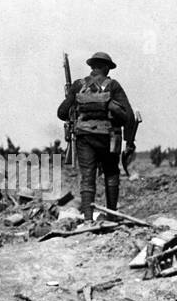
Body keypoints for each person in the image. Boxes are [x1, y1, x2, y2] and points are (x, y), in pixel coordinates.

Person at [56, 51, 138, 222]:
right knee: (111, 173)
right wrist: (128, 140)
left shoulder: (79, 85)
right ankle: (112, 216)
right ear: (107, 68)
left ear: (92, 67)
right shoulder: (113, 86)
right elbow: (128, 116)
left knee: (87, 177)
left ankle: (87, 219)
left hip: (85, 137)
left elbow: (61, 113)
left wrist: (74, 106)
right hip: (109, 138)